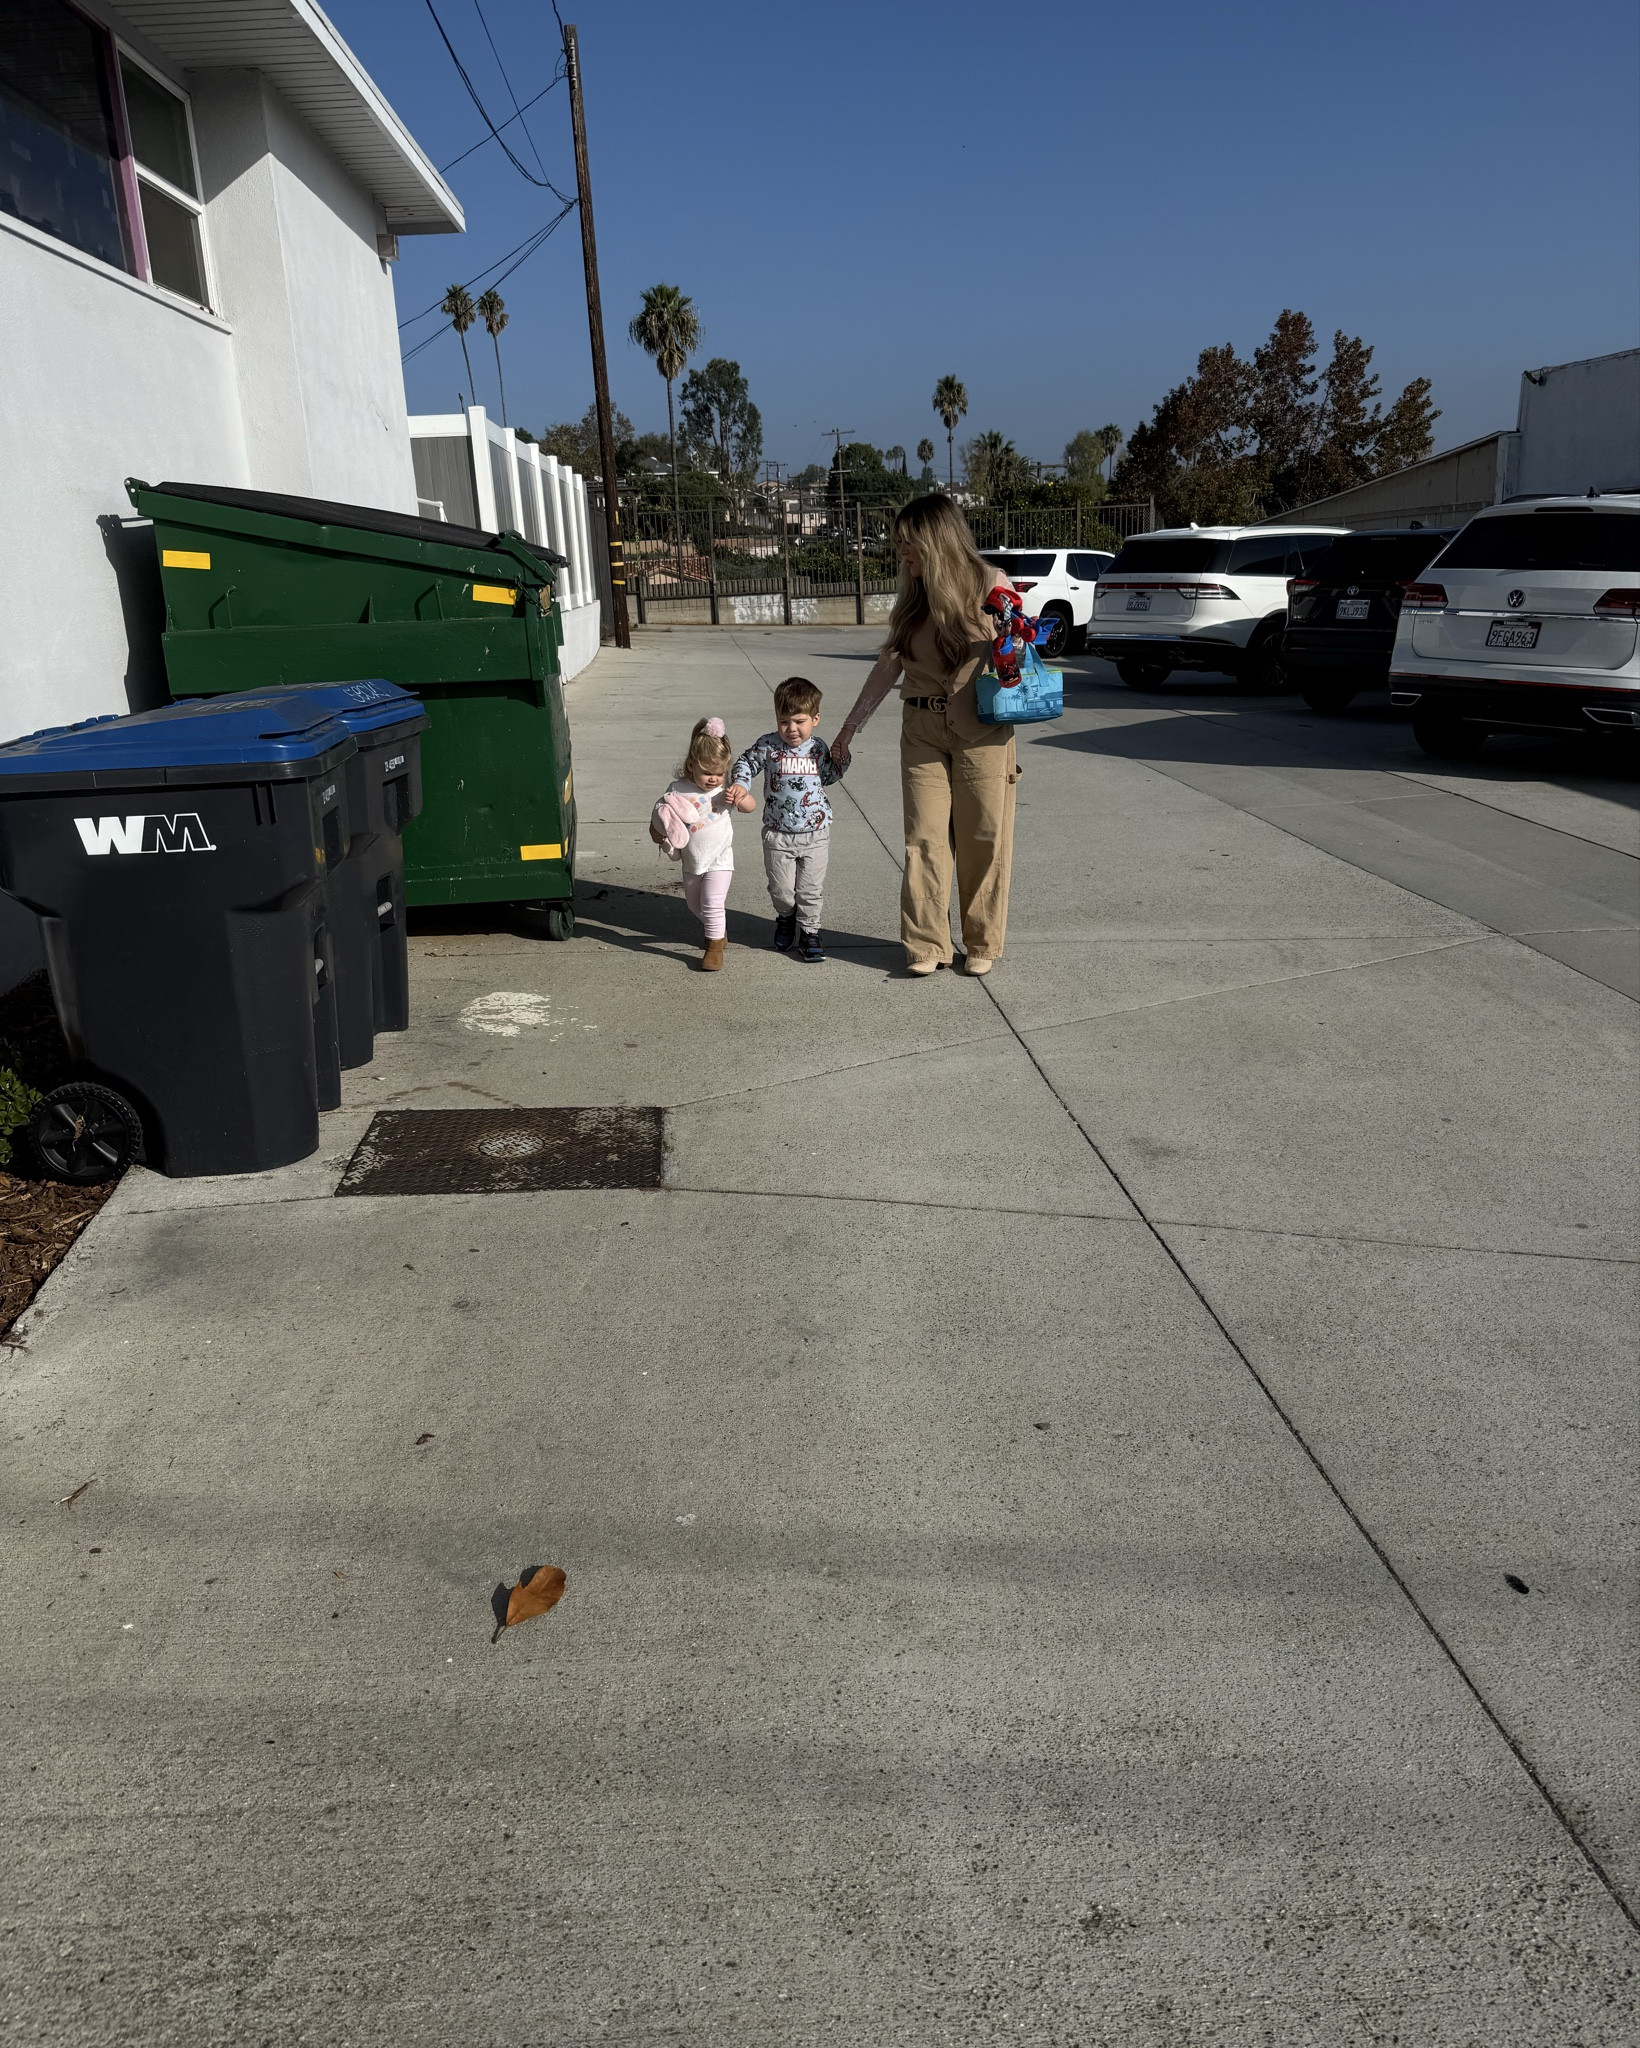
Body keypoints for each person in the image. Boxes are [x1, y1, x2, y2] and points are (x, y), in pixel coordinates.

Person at [830, 495, 1020, 975]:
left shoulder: (990, 583)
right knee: (925, 839)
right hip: (921, 729)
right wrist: (849, 728)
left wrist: (1012, 633)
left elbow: (1015, 652)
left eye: (907, 543)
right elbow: (887, 666)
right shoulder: (912, 598)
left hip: (982, 728)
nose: (901, 553)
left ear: (936, 540)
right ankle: (926, 946)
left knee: (983, 837)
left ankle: (981, 943)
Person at [726, 677, 846, 965]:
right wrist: (742, 783)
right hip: (778, 834)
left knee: (810, 890)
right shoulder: (769, 745)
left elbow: (828, 776)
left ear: (815, 719)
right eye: (784, 721)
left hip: (816, 833)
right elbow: (745, 762)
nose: (791, 729)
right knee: (782, 891)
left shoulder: (817, 748)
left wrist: (842, 760)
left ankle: (810, 934)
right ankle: (785, 917)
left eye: (799, 721)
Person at [649, 716, 755, 971]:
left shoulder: (725, 790)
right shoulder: (678, 789)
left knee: (712, 903)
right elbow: (661, 815)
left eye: (720, 773)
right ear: (691, 765)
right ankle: (718, 931)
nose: (714, 779)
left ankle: (714, 947)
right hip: (692, 860)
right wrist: (656, 832)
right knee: (694, 904)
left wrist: (741, 797)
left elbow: (751, 807)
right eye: (707, 772)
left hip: (720, 859)